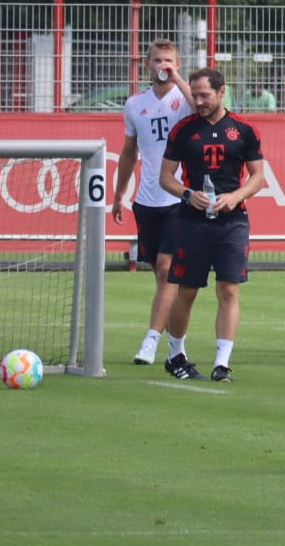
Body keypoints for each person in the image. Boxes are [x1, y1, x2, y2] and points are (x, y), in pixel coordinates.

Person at [158, 68, 266, 383]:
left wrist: (235, 196)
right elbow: (165, 178)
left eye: (205, 95)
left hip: (233, 220)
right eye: (195, 95)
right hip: (192, 221)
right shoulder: (183, 130)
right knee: (187, 290)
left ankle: (222, 364)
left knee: (229, 288)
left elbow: (258, 177)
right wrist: (188, 194)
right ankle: (176, 354)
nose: (199, 101)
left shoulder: (244, 130)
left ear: (221, 92)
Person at [112, 39, 194, 367]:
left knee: (165, 269)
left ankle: (151, 340)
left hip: (178, 196)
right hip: (147, 200)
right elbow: (128, 152)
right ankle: (177, 348)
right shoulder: (135, 104)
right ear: (147, 64)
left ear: (178, 63)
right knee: (163, 277)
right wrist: (119, 195)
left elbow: (202, 109)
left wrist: (178, 79)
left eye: (169, 60)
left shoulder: (185, 98)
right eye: (158, 60)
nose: (163, 65)